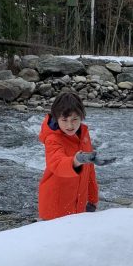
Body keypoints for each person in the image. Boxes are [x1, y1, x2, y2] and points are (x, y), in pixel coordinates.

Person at [37, 91, 101, 221]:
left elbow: (89, 170)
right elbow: (56, 163)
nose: (70, 125)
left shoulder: (83, 135)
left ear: (81, 117)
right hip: (55, 207)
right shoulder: (52, 139)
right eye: (64, 120)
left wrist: (93, 199)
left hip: (79, 203)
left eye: (74, 119)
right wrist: (76, 161)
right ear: (56, 118)